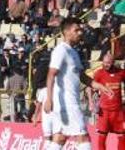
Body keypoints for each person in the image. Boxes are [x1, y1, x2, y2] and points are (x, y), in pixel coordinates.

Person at [44, 17, 113, 150]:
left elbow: (82, 76)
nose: (80, 32)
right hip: (68, 103)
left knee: (60, 137)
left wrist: (100, 86)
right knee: (84, 137)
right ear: (67, 31)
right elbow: (51, 74)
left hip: (67, 102)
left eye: (80, 29)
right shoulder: (61, 50)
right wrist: (48, 98)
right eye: (77, 30)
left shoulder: (73, 52)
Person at [92, 53, 125, 150]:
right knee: (102, 138)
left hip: (118, 111)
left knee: (122, 137)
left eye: (108, 63)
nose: (105, 64)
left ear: (113, 63)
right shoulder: (99, 73)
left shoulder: (121, 73)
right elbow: (90, 87)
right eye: (104, 62)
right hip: (104, 111)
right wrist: (90, 101)